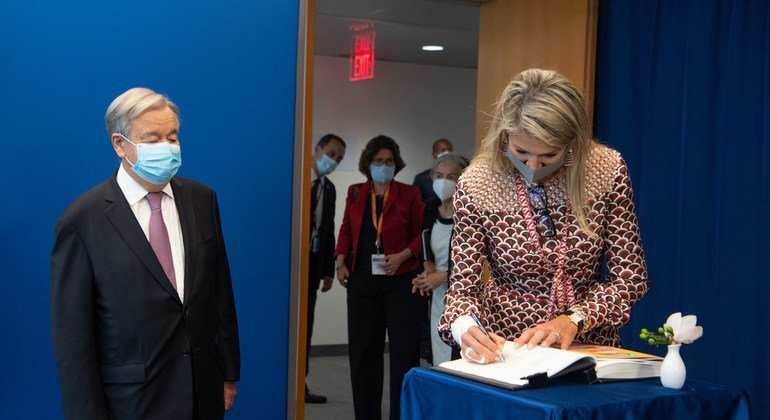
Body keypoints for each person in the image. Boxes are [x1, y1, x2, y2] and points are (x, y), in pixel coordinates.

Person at [51, 87, 240, 419]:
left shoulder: (202, 199)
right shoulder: (82, 220)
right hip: (131, 402)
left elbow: (219, 293)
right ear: (120, 144)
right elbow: (73, 338)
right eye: (153, 139)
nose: (167, 148)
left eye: (172, 137)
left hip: (203, 391)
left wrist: (227, 372)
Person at [438, 69, 650, 365]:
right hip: (507, 349)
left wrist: (575, 319)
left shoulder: (605, 170)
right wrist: (464, 327)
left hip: (586, 347)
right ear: (504, 137)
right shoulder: (478, 183)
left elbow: (629, 278)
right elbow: (462, 287)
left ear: (572, 142)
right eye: (521, 153)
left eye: (549, 156)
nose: (533, 166)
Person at [335, 135, 424, 420]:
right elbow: (347, 228)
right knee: (363, 355)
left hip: (401, 282)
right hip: (363, 283)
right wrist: (340, 260)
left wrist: (404, 255)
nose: (383, 166)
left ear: (396, 164)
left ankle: (402, 415)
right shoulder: (356, 192)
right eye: (378, 161)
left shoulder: (409, 194)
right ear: (368, 163)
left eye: (388, 161)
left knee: (404, 356)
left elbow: (422, 235)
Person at [411, 153, 469, 366]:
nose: (444, 181)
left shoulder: (470, 213)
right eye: (439, 175)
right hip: (437, 297)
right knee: (438, 353)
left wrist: (444, 276)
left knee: (460, 357)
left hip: (464, 295)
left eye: (452, 176)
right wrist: (427, 275)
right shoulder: (429, 210)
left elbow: (480, 260)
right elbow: (427, 252)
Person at [305, 133, 346, 404]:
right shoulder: (298, 178)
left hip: (314, 264)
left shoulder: (328, 188)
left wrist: (329, 270)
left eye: (339, 158)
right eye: (331, 153)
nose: (334, 160)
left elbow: (328, 229)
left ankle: (301, 384)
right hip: (290, 264)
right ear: (317, 149)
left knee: (306, 325)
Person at [413, 138, 453, 208]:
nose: (447, 153)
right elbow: (415, 204)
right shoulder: (422, 178)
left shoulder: (459, 176)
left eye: (449, 150)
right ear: (434, 154)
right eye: (443, 150)